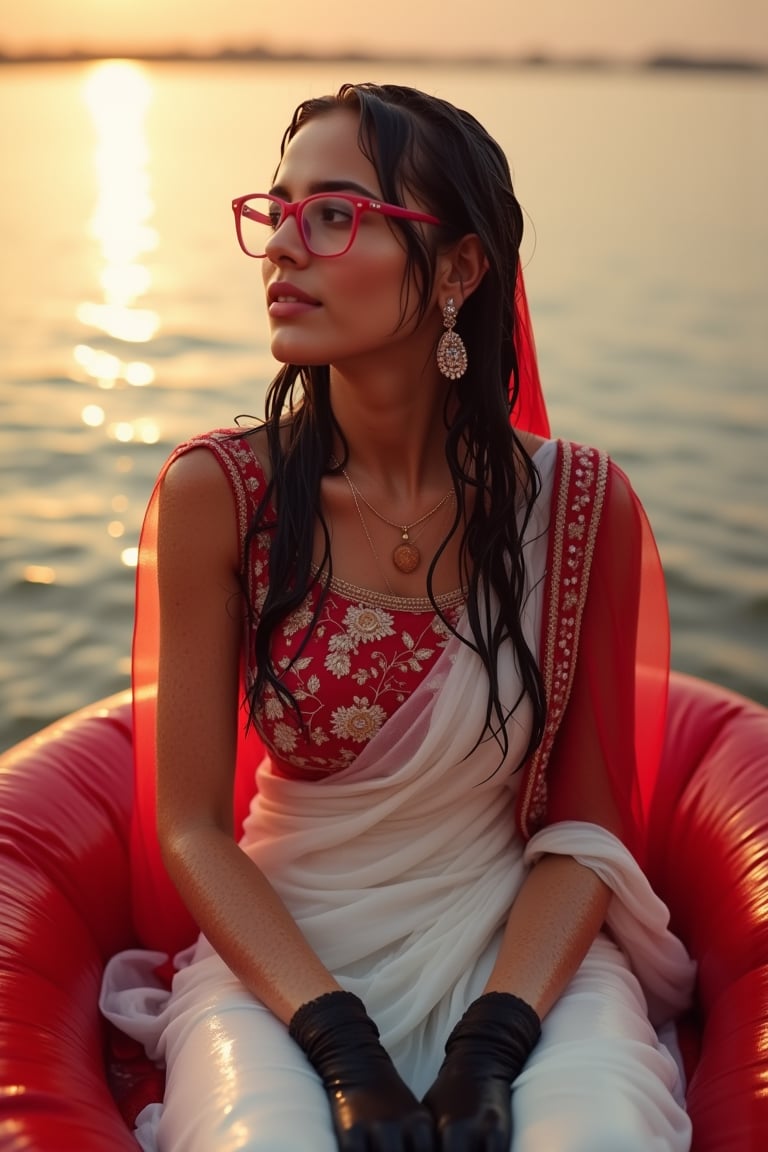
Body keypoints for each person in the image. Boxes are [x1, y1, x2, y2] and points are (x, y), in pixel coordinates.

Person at [101, 82, 695, 1151]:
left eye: (335, 213)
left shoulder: (581, 508)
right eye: (277, 211)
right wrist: (336, 1040)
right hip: (286, 954)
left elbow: (587, 830)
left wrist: (495, 1042)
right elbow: (190, 826)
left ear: (460, 269)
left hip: (511, 945)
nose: (285, 245)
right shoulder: (220, 497)